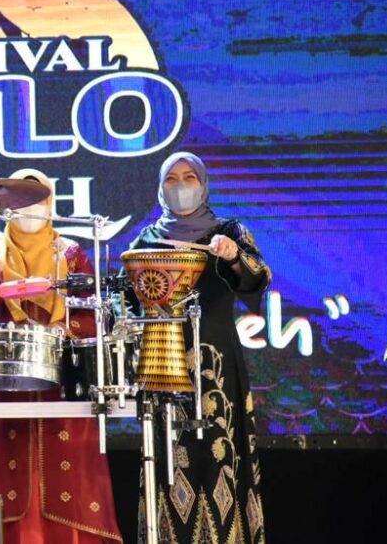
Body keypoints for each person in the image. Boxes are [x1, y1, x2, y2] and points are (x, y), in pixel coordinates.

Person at [0, 168, 124, 543]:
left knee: (69, 473)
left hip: (62, 379)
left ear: (50, 203)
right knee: (10, 468)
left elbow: (91, 314)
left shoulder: (71, 253)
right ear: (7, 207)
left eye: (37, 199)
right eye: (21, 200)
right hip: (9, 377)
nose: (30, 208)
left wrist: (61, 331)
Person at [128, 152, 271, 544]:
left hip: (217, 363)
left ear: (204, 184)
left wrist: (233, 256)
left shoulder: (228, 232)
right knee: (167, 461)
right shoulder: (148, 240)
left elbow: (258, 278)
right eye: (171, 179)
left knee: (221, 455)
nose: (181, 186)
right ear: (161, 187)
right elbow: (126, 301)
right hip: (164, 366)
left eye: (189, 177)